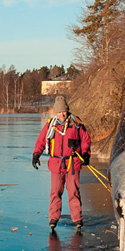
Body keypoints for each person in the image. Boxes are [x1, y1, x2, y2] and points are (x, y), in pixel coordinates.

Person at [31, 95, 91, 230]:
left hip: (73, 163)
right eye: (59, 112)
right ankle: (53, 218)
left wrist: (86, 154)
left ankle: (77, 219)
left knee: (73, 192)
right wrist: (36, 154)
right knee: (55, 192)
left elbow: (85, 140)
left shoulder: (76, 124)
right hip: (56, 163)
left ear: (67, 111)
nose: (62, 114)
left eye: (63, 111)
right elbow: (41, 141)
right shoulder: (51, 125)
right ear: (55, 113)